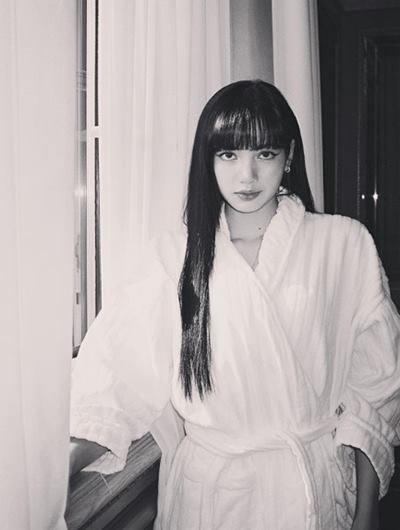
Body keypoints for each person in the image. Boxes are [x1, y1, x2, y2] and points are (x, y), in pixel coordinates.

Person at [69, 80, 400, 530]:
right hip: (209, 500)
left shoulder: (344, 244)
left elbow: (376, 386)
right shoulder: (174, 255)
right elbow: (118, 370)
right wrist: (59, 466)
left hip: (313, 495)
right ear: (208, 160)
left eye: (265, 153)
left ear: (288, 157)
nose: (247, 175)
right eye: (228, 154)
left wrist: (367, 511)